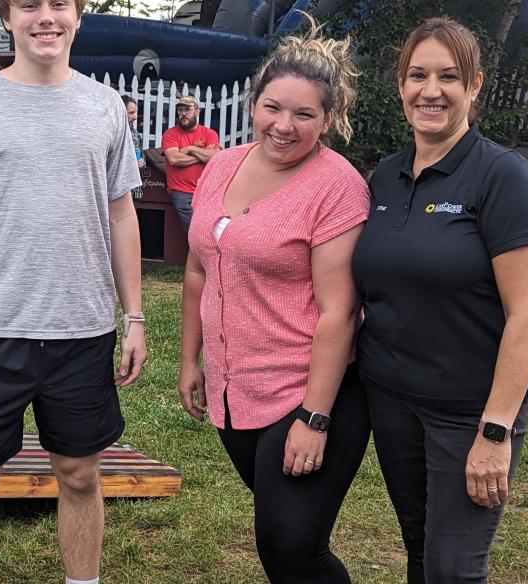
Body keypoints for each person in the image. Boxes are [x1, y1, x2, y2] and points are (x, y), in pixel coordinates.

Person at [0, 0, 147, 581]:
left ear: (77, 16)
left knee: (79, 476)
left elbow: (122, 215)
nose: (45, 17)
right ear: (6, 17)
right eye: (29, 4)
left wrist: (136, 317)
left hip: (83, 330)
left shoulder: (103, 108)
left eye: (59, 5)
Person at [351, 17, 528, 584]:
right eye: (417, 75)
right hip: (391, 400)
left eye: (449, 76)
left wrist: (495, 432)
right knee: (420, 553)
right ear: (400, 86)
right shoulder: (385, 179)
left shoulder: (503, 178)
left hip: (468, 412)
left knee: (453, 569)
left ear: (475, 86)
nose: (431, 90)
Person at [177, 17, 370, 583]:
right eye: (272, 108)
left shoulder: (336, 187)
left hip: (303, 391)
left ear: (327, 120)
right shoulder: (223, 165)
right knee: (282, 542)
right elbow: (196, 269)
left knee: (291, 547)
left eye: (304, 114)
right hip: (236, 393)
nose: (284, 126)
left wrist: (315, 417)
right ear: (253, 103)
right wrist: (191, 359)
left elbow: (341, 311)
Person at [160, 95, 220, 232]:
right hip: (182, 192)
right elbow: (175, 159)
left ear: (197, 111)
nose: (183, 114)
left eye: (187, 109)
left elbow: (215, 157)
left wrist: (190, 149)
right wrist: (202, 154)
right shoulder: (170, 134)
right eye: (180, 110)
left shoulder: (209, 133)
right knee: (197, 234)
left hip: (206, 192)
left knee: (209, 232)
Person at [122, 94, 145, 199]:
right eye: (131, 113)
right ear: (121, 111)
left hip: (133, 188)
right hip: (119, 188)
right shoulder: (112, 133)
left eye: (135, 113)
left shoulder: (136, 134)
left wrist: (142, 163)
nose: (135, 117)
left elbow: (142, 155)